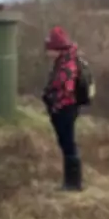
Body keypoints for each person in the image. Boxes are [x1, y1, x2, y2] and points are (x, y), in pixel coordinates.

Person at [42, 26, 83, 191]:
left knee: (68, 143)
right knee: (66, 143)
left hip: (66, 109)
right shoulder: (64, 61)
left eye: (49, 48)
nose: (46, 52)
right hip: (65, 108)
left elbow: (66, 89)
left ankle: (73, 183)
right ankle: (70, 181)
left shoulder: (67, 64)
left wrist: (55, 106)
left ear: (56, 49)